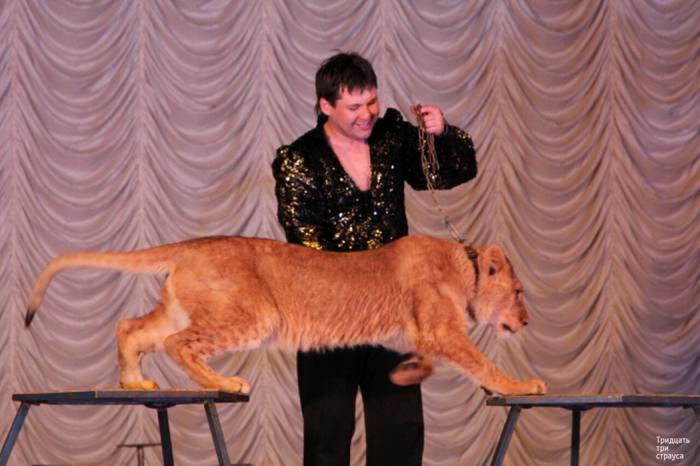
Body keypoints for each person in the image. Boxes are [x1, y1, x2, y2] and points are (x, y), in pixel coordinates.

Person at [271, 52, 477, 466]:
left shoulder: (391, 137)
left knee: (400, 435)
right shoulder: (299, 160)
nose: (366, 115)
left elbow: (452, 172)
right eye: (354, 107)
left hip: (394, 317)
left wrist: (441, 135)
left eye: (371, 102)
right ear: (325, 106)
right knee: (327, 441)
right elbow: (306, 250)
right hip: (328, 320)